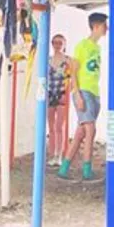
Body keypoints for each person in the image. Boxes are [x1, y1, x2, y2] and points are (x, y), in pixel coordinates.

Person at [59, 12, 107, 180]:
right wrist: (77, 93)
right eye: (103, 25)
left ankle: (64, 168)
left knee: (80, 133)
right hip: (84, 91)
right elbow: (73, 70)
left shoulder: (97, 48)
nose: (106, 28)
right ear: (95, 26)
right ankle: (87, 169)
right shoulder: (82, 46)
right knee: (90, 129)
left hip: (94, 92)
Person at [47, 34, 72, 166]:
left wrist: (68, 92)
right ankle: (52, 155)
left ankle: (59, 155)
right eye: (55, 43)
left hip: (61, 94)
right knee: (51, 126)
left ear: (64, 45)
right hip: (50, 94)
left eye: (60, 43)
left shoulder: (67, 60)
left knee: (59, 126)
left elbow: (72, 77)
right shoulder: (48, 60)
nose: (57, 46)